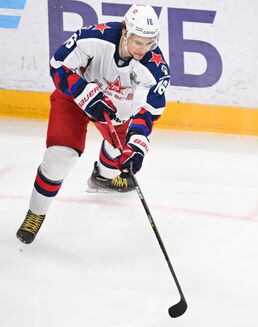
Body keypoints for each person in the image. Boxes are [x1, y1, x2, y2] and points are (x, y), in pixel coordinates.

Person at [16, 4, 170, 244]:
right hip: (75, 99)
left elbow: (146, 112)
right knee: (60, 158)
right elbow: (58, 66)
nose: (144, 49)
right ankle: (35, 213)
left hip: (117, 109)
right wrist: (83, 91)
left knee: (123, 155)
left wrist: (137, 147)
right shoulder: (95, 37)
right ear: (125, 33)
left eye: (149, 43)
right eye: (138, 42)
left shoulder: (156, 70)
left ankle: (102, 178)